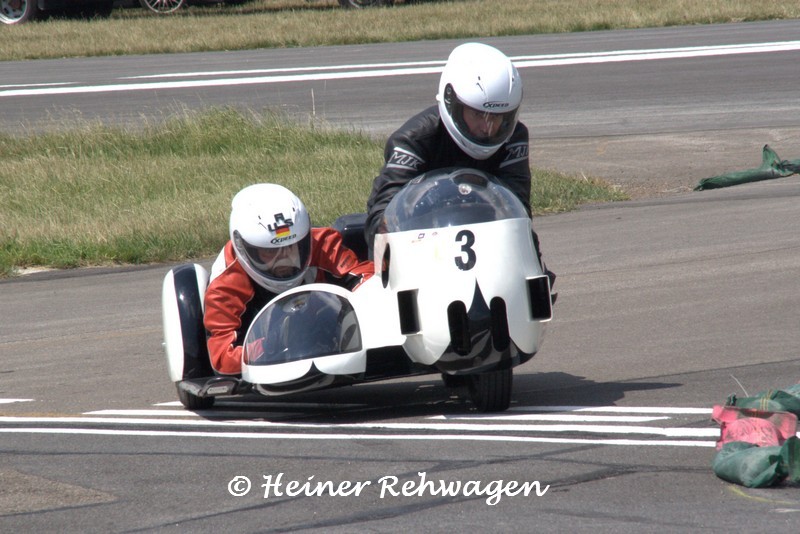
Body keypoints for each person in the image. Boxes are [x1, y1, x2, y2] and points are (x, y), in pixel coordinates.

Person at [365, 42, 552, 282]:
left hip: (486, 241)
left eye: (499, 118)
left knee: (531, 254)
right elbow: (383, 215)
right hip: (423, 244)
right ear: (452, 101)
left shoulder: (513, 138)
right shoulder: (413, 140)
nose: (488, 128)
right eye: (478, 114)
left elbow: (518, 210)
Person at [203, 183, 374, 375]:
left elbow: (368, 279)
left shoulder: (322, 245)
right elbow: (222, 357)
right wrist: (268, 347)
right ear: (244, 249)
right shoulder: (226, 284)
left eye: (291, 248)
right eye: (270, 252)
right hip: (262, 342)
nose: (284, 259)